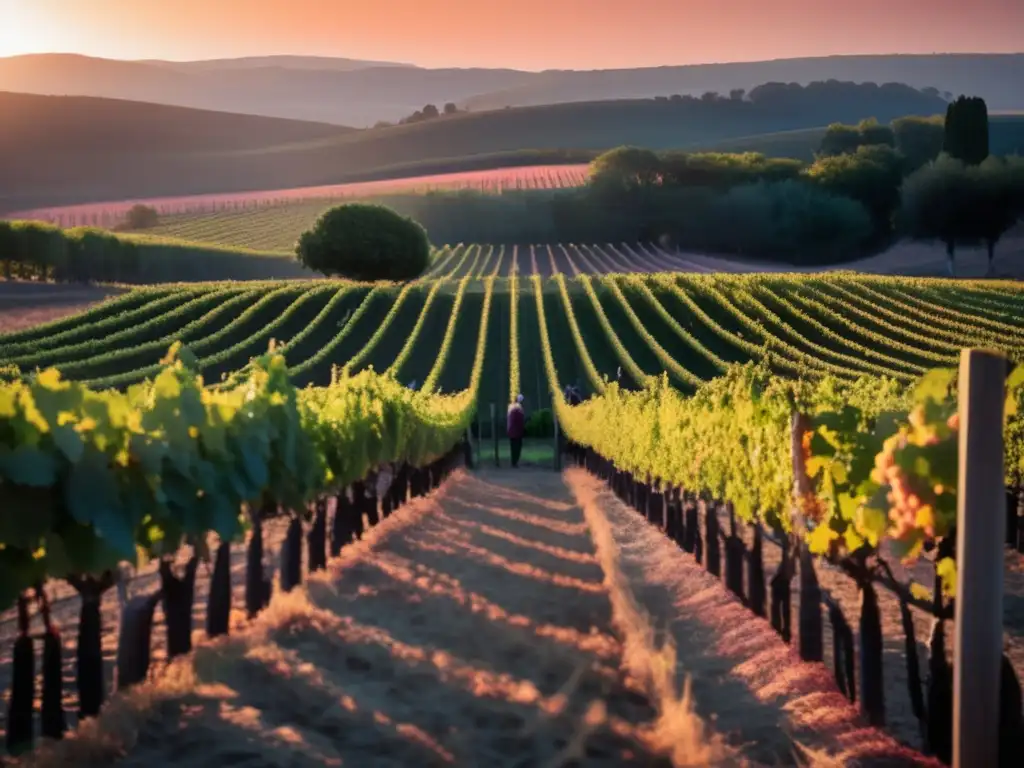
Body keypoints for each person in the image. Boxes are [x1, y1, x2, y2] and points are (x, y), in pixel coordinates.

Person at [507, 394, 526, 468]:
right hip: (517, 432)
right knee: (517, 447)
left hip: (512, 432)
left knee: (513, 447)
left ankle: (513, 462)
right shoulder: (518, 410)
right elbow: (519, 422)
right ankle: (515, 462)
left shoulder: (511, 408)